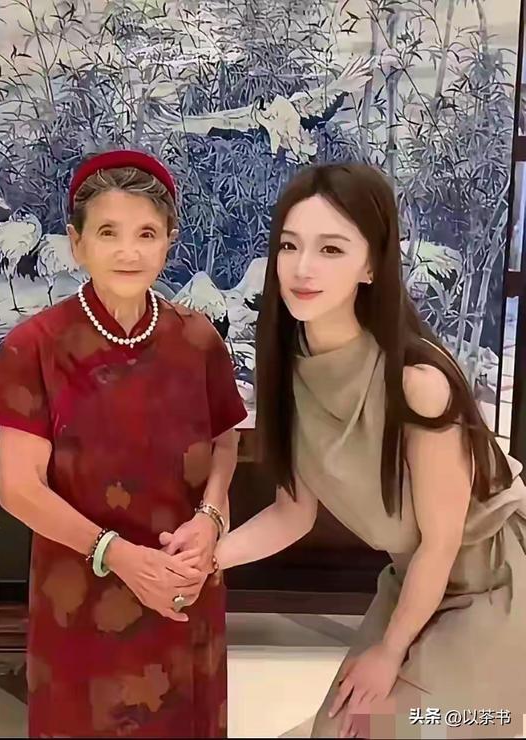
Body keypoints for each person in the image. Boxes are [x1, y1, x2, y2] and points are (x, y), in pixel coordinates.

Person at [200, 163, 526, 738]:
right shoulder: (290, 369)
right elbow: (293, 513)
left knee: (410, 729)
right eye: (290, 246)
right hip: (414, 579)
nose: (303, 268)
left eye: (331, 249)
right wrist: (205, 561)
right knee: (339, 731)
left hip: (496, 587)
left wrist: (390, 651)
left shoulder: (419, 381)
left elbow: (442, 541)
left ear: (371, 264)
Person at [0, 149, 247, 738]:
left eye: (146, 233)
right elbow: (18, 489)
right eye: (107, 233)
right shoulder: (36, 345)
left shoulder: (198, 339)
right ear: (77, 244)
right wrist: (119, 555)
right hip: (84, 595)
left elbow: (224, 445)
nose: (129, 251)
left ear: (169, 241)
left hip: (184, 582)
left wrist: (210, 519)